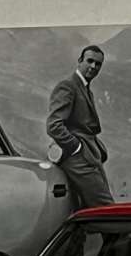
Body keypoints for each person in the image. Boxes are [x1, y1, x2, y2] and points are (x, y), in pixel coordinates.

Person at [47, 44, 113, 208]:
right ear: (79, 61)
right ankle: (118, 234)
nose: (93, 67)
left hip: (90, 156)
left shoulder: (85, 89)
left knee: (98, 205)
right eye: (90, 61)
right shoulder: (68, 86)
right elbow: (54, 125)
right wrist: (76, 148)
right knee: (105, 207)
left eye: (98, 64)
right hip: (79, 159)